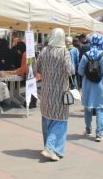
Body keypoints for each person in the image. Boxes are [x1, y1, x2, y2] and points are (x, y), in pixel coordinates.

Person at [32, 28, 74, 161]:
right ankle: (51, 148)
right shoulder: (64, 52)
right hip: (59, 93)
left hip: (45, 92)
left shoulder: (44, 50)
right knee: (60, 121)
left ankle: (51, 148)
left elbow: (37, 68)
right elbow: (70, 70)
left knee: (47, 120)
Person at [78, 34, 103, 142]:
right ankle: (99, 134)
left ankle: (88, 129)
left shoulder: (86, 55)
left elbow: (80, 71)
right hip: (101, 85)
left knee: (88, 107)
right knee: (100, 109)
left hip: (87, 85)